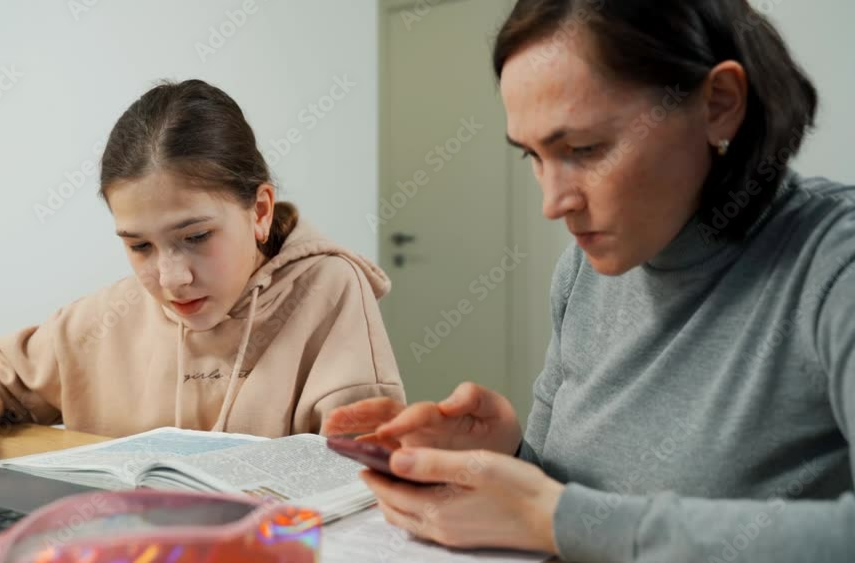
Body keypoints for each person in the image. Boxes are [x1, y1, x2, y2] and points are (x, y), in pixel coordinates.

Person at [326, 1, 853, 561]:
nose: (552, 204)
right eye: (533, 155)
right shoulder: (585, 271)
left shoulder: (833, 262)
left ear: (718, 104)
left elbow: (567, 520)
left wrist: (548, 516)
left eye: (583, 149)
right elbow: (570, 515)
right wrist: (508, 459)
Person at [0, 79, 405, 462]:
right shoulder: (111, 313)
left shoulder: (330, 291)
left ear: (259, 211)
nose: (170, 279)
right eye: (140, 246)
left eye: (196, 238)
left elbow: (362, 472)